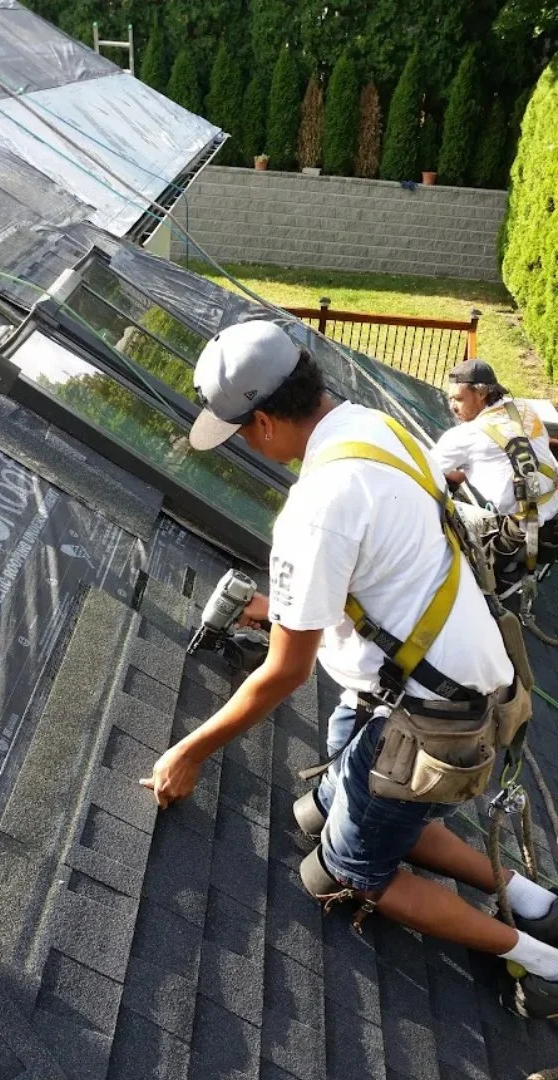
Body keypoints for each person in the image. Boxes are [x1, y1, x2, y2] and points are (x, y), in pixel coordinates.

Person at [140, 321, 558, 1019]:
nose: (249, 444)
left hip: (428, 719)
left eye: (243, 432)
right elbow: (381, 574)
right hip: (457, 681)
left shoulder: (316, 508)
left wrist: (188, 753)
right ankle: (536, 899)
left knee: (352, 870)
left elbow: (283, 676)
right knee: (356, 806)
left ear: (266, 420)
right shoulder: (372, 425)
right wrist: (279, 609)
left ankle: (539, 958)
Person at [433, 359, 558, 593]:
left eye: (458, 399)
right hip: (553, 517)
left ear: (481, 393)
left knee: (460, 566)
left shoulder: (465, 436)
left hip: (520, 532)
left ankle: (493, 584)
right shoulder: (523, 408)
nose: (452, 406)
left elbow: (427, 471)